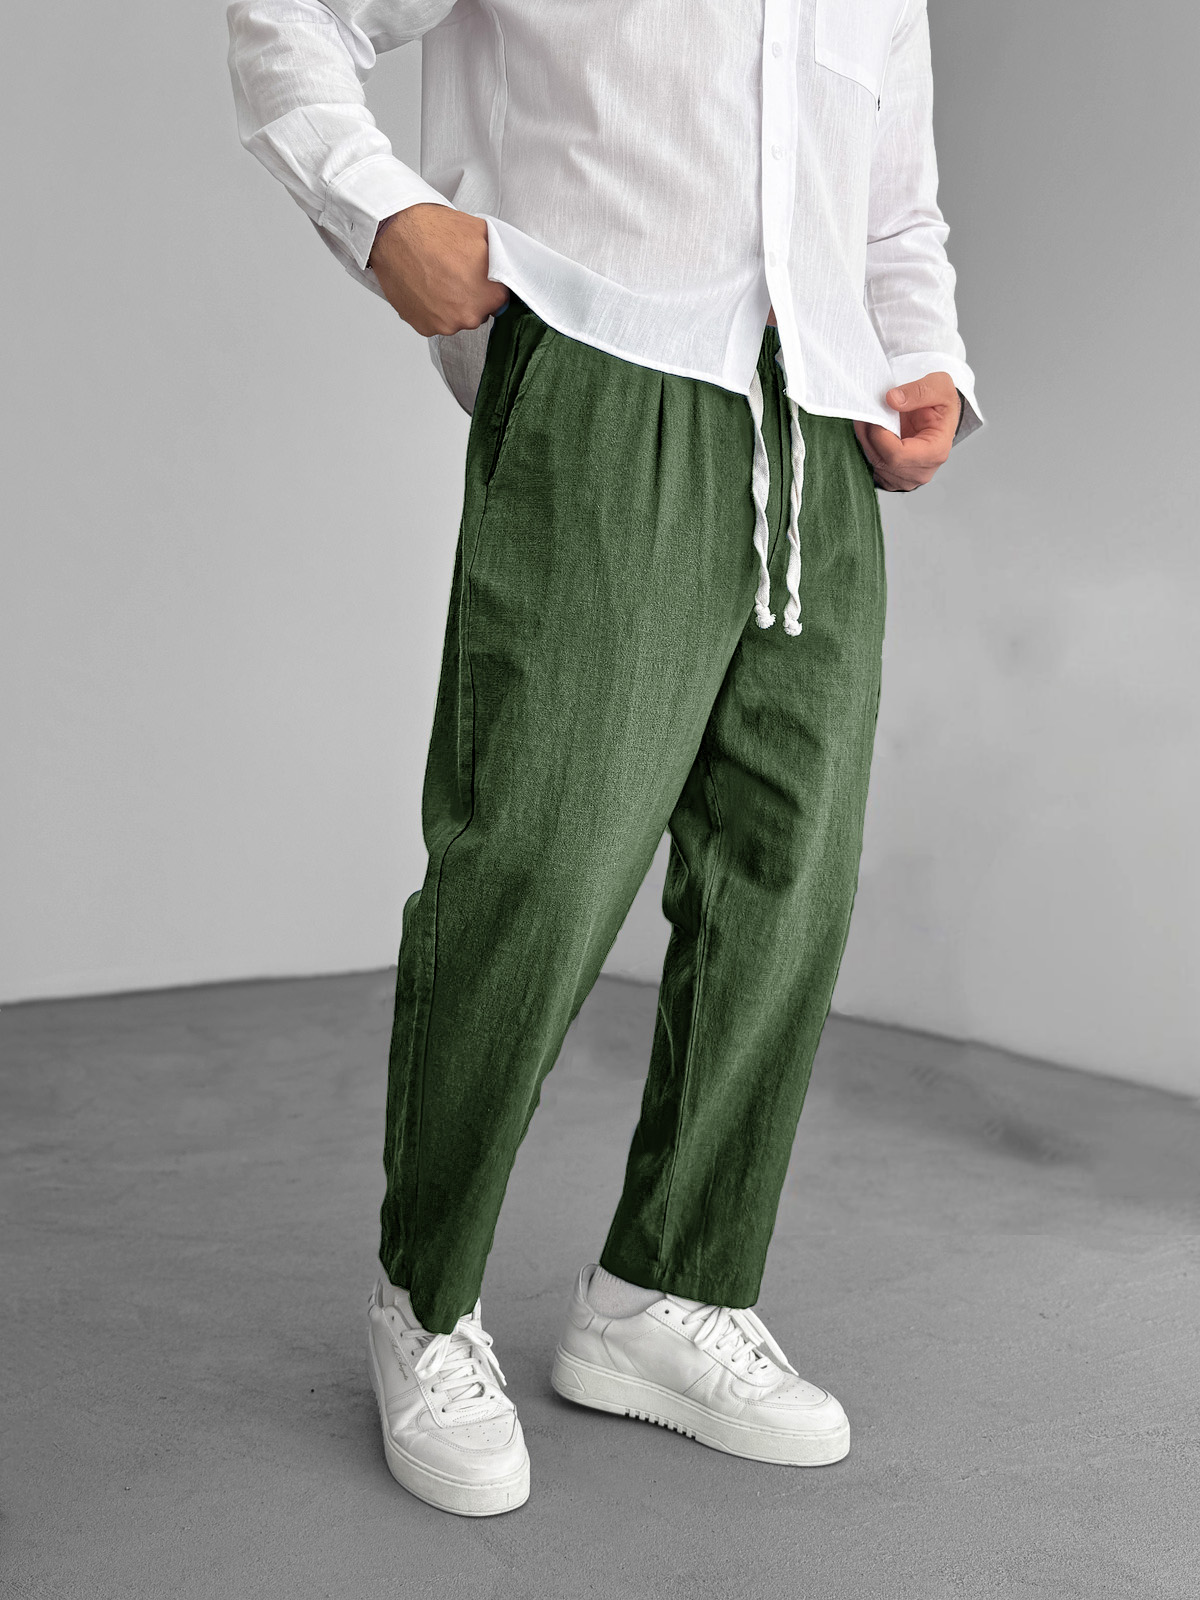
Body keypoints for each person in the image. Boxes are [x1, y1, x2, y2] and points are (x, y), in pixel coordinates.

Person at [227, 0, 983, 1517]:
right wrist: (381, 211)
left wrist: (926, 357)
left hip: (820, 416)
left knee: (788, 883)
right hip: (603, 365)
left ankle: (669, 1291)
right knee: (541, 859)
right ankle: (424, 1304)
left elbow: (894, 201)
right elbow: (290, 17)